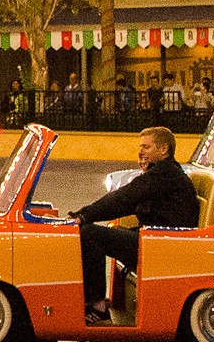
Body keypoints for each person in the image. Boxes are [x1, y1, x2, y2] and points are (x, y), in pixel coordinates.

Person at [71, 127, 198, 324]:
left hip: (164, 241)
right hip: (155, 237)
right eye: (141, 147)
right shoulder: (161, 174)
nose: (141, 152)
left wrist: (84, 215)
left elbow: (125, 198)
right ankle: (97, 300)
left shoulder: (166, 173)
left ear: (164, 150)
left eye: (146, 147)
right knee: (102, 232)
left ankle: (97, 304)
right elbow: (128, 203)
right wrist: (88, 214)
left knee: (89, 234)